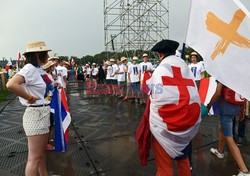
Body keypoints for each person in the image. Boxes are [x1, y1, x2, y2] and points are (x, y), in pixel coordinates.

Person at [147, 39, 201, 176]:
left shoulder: (159, 70)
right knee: (183, 160)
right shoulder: (185, 68)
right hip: (187, 124)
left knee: (164, 167)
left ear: (160, 54)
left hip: (166, 127)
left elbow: (154, 96)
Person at [6, 41, 52, 175]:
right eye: (46, 53)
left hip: (41, 112)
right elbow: (11, 84)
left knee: (41, 153)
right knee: (34, 158)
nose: (48, 56)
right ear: (38, 54)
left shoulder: (37, 69)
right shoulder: (30, 68)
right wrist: (29, 98)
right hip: (35, 114)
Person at [207, 82, 249, 176]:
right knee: (222, 127)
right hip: (237, 106)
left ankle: (244, 170)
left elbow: (218, 93)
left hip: (226, 108)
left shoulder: (223, 74)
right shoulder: (238, 74)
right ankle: (220, 151)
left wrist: (209, 105)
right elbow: (244, 93)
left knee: (229, 138)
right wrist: (243, 110)